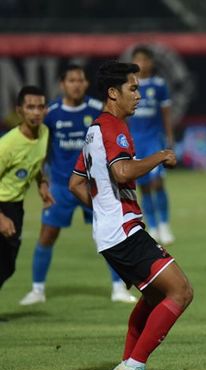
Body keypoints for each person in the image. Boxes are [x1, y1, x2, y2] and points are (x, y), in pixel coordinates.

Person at [69, 61, 193, 370]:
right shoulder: (113, 128)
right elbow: (123, 172)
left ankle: (128, 363)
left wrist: (103, 211)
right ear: (113, 93)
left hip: (112, 231)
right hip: (124, 231)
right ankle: (135, 365)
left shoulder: (95, 129)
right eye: (133, 89)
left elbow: (75, 184)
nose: (139, 95)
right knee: (180, 291)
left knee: (154, 296)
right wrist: (160, 156)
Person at [19, 64, 137, 306]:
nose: (77, 84)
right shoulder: (51, 113)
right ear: (62, 84)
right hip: (61, 187)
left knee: (111, 235)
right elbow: (39, 149)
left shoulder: (98, 111)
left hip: (95, 186)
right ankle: (37, 289)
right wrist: (42, 180)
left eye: (81, 80)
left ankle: (119, 288)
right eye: (71, 80)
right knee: (47, 235)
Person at [1, 86, 53, 291]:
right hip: (2, 207)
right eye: (30, 107)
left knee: (7, 266)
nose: (36, 112)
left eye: (40, 107)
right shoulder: (7, 145)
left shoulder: (44, 132)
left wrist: (42, 183)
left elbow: (37, 162)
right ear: (19, 111)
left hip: (15, 206)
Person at [128, 45, 175, 245]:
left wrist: (169, 137)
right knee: (144, 186)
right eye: (138, 60)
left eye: (145, 60)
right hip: (136, 141)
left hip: (154, 140)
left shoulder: (158, 85)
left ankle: (164, 224)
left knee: (157, 183)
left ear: (151, 63)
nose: (142, 64)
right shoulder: (129, 86)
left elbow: (165, 113)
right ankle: (153, 226)